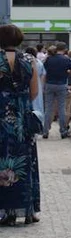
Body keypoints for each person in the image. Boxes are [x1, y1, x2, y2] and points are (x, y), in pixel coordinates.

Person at [0, 24, 40, 226]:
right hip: (22, 117)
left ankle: (5, 211)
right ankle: (29, 211)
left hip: (2, 115)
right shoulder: (29, 60)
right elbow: (34, 92)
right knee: (26, 160)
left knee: (3, 158)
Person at [42, 44, 71, 139]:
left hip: (49, 84)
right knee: (62, 108)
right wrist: (67, 72)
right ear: (65, 49)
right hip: (62, 84)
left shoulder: (49, 59)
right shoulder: (66, 59)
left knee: (48, 108)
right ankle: (63, 130)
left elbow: (45, 71)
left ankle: (45, 131)